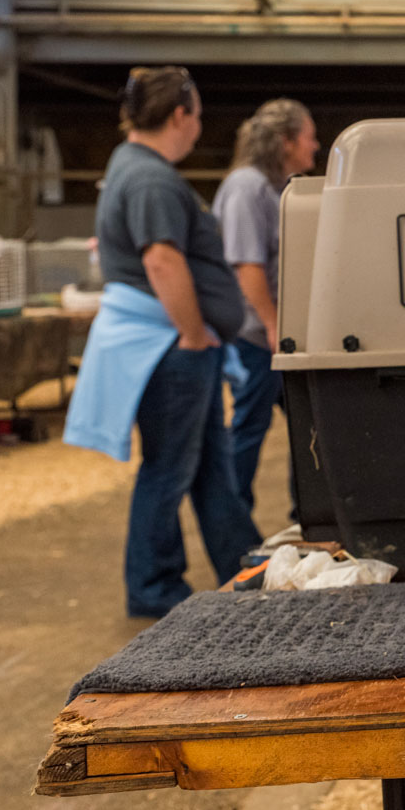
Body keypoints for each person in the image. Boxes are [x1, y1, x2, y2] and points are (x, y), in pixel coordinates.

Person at [64, 66, 262, 619]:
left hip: (170, 343)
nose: (199, 126)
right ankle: (153, 584)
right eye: (197, 114)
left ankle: (241, 562)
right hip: (171, 345)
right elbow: (161, 259)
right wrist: (195, 333)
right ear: (179, 114)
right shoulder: (150, 178)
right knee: (172, 466)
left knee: (207, 463)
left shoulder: (135, 166)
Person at [212, 99, 318, 514]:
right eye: (309, 136)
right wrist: (275, 327)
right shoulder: (247, 187)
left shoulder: (275, 186)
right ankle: (231, 519)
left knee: (306, 428)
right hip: (255, 336)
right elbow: (247, 265)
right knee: (248, 431)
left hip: (272, 334)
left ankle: (308, 513)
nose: (315, 145)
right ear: (287, 141)